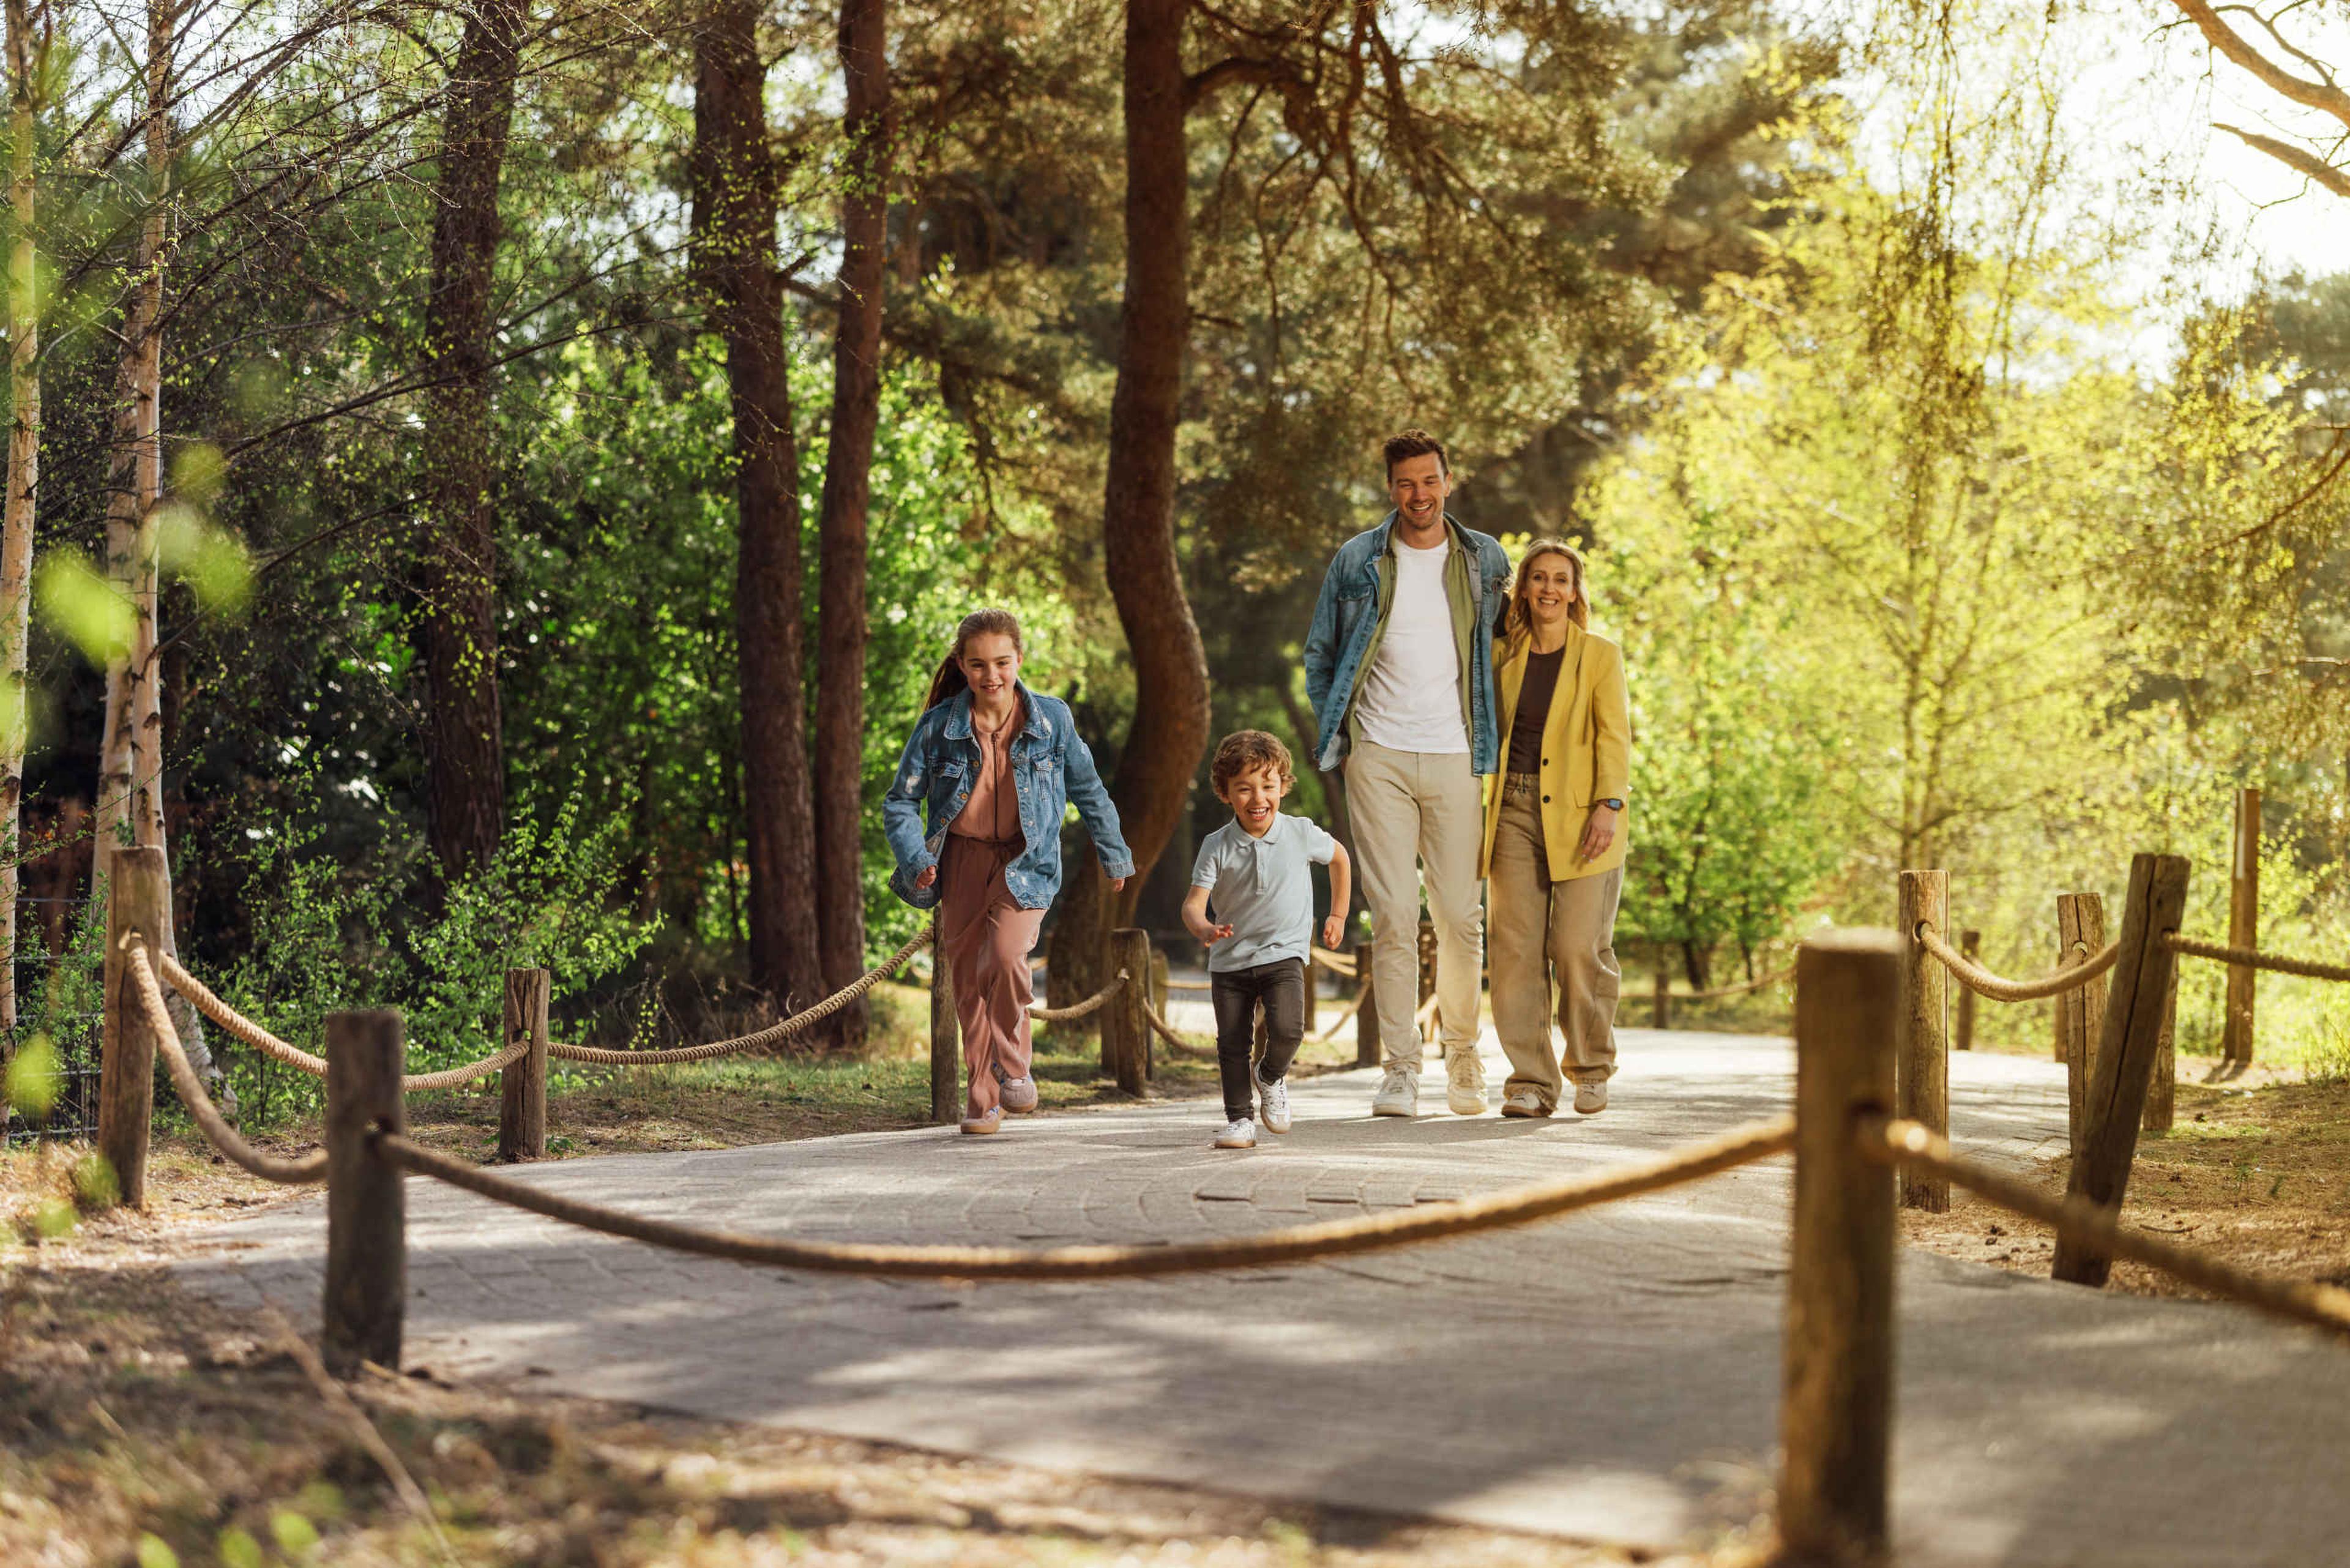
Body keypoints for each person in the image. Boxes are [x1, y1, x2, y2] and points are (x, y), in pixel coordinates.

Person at [1302, 429, 1513, 1118]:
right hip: (1380, 756)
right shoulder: (1358, 559)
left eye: (1429, 481)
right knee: (1392, 915)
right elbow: (1321, 654)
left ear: (1449, 482)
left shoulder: (1485, 559)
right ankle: (1399, 1070)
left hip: (1457, 752)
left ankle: (1462, 1056)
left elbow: (1506, 651)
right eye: (1404, 484)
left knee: (1459, 915)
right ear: (1390, 488)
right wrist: (1349, 735)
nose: (1418, 495)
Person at [882, 609, 1135, 1135]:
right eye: (977, 665)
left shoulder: (1052, 721)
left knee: (1004, 956)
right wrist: (917, 859)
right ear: (962, 666)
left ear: (1019, 659)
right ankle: (982, 1100)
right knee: (969, 983)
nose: (991, 675)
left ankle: (1014, 1067)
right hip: (960, 861)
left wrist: (1114, 854)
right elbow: (900, 804)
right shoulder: (938, 728)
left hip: (1028, 860)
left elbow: (1088, 790)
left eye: (1001, 662)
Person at [1479, 542, 1629, 1118]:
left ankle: (1591, 1067)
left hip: (1585, 814)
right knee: (1515, 949)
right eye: (1537, 578)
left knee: (1576, 947)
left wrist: (1609, 803)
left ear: (1575, 590)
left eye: (1560, 579)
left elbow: (1614, 737)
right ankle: (1531, 1082)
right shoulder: (1501, 655)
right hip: (1513, 810)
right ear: (1524, 589)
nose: (1548, 588)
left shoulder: (1600, 656)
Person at [1182, 731, 1353, 1149]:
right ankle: (1239, 1120)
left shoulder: (1299, 833)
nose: (1258, 798)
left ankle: (1271, 1076)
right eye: (1244, 788)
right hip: (1230, 960)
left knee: (1290, 1029)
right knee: (1231, 1044)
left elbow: (1340, 858)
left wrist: (1338, 914)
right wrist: (1205, 929)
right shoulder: (1216, 846)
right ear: (1226, 793)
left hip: (1284, 954)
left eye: (1268, 786)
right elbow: (1192, 905)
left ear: (1283, 787)